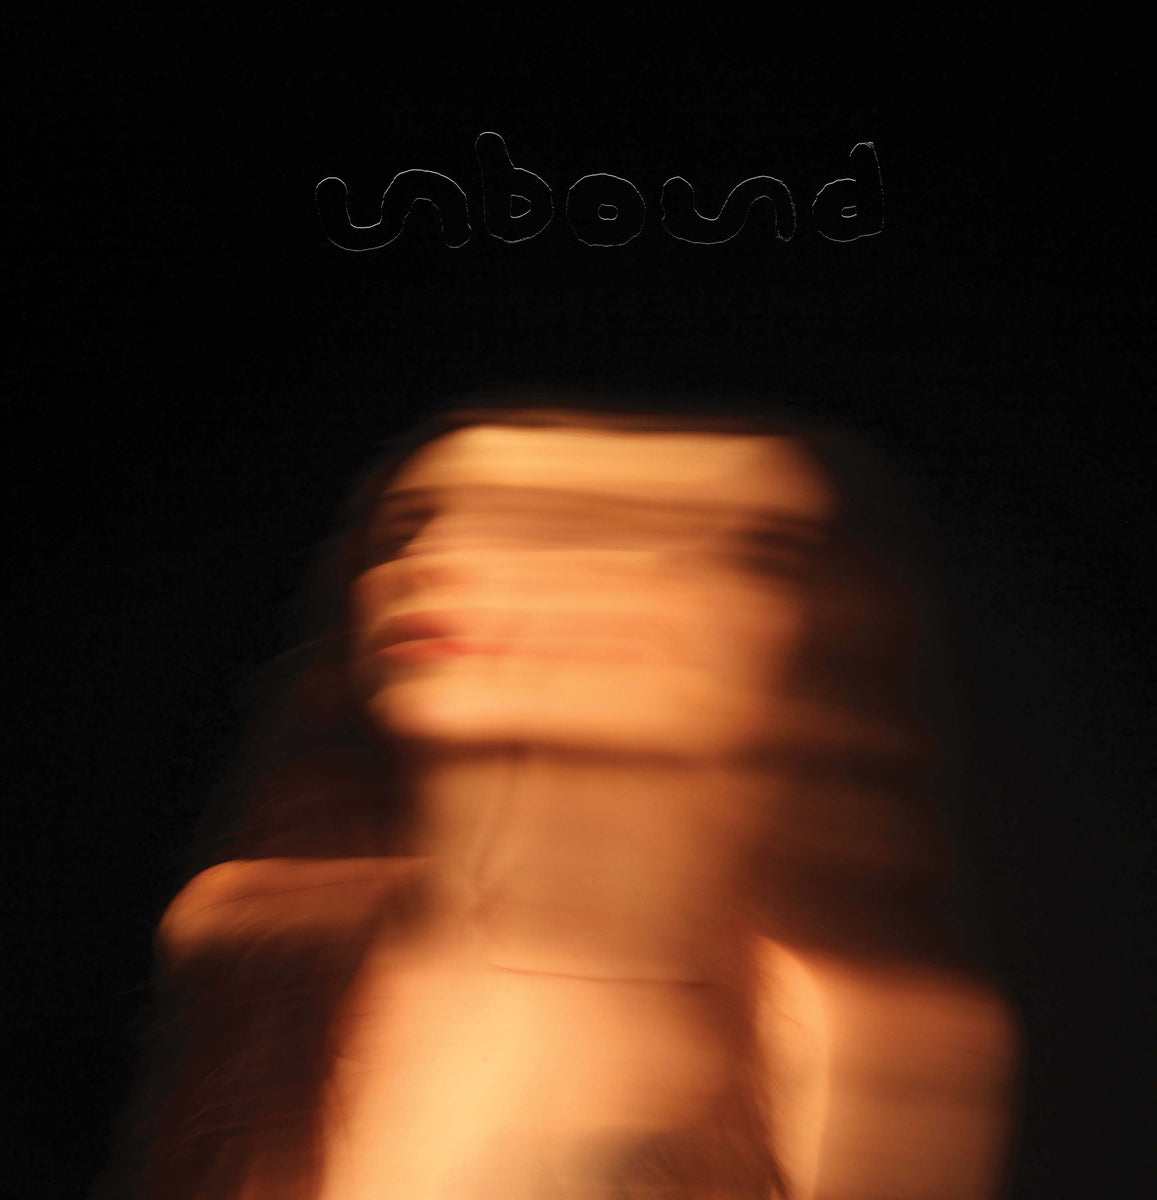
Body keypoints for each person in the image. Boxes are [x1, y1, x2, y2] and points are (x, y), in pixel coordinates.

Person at [93, 388, 1022, 1200]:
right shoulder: (251, 944)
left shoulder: (848, 1044)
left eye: (564, 529)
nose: (434, 561)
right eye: (416, 522)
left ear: (766, 625)